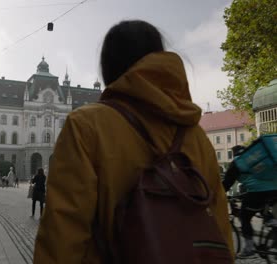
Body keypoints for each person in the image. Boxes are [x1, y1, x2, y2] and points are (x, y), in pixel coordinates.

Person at [33, 20, 232, 263]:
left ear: (109, 68)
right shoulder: (195, 134)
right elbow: (220, 227)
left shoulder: (86, 125)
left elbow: (62, 236)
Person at [223, 145, 277, 258]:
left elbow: (226, 184)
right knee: (261, 207)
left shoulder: (237, 163)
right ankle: (271, 221)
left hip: (258, 193)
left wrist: (219, 194)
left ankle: (249, 249)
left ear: (234, 154)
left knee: (244, 216)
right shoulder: (255, 158)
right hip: (274, 189)